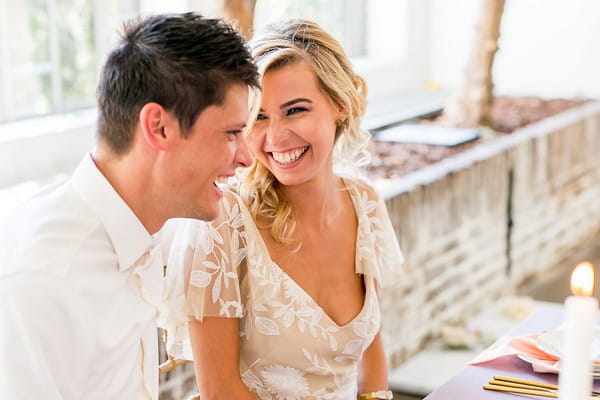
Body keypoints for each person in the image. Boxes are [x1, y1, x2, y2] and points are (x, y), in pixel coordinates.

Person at [0, 12, 258, 399]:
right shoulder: (43, 285)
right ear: (159, 127)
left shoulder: (142, 223)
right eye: (232, 133)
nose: (246, 157)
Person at [163, 19, 403, 399]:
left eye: (295, 110)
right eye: (258, 117)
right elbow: (221, 390)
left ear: (339, 104)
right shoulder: (220, 224)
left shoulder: (366, 204)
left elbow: (368, 345)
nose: (275, 137)